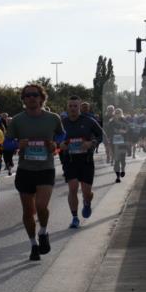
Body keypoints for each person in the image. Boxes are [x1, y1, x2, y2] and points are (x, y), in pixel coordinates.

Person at [7, 83, 65, 261]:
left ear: (42, 97)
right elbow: (7, 144)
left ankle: (43, 231)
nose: (31, 98)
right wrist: (18, 145)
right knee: (28, 211)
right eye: (27, 95)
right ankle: (33, 244)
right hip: (25, 170)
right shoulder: (17, 120)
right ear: (23, 99)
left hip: (45, 168)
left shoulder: (53, 118)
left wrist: (55, 145)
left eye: (35, 95)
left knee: (41, 206)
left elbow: (62, 136)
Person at [60, 96, 104, 229]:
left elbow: (101, 135)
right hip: (70, 159)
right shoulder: (62, 123)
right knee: (72, 188)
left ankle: (87, 203)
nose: (73, 108)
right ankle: (74, 217)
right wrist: (60, 144)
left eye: (75, 106)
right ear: (67, 107)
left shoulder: (89, 121)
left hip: (86, 160)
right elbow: (54, 137)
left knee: (87, 192)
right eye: (70, 106)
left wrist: (91, 143)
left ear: (79, 107)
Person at [109, 108, 130, 182]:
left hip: (123, 143)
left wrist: (123, 132)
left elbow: (128, 131)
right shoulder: (111, 122)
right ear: (114, 114)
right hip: (114, 144)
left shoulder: (124, 121)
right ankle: (118, 177)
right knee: (116, 161)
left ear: (121, 114)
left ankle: (123, 169)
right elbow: (108, 132)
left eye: (119, 113)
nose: (117, 114)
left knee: (123, 159)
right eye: (116, 113)